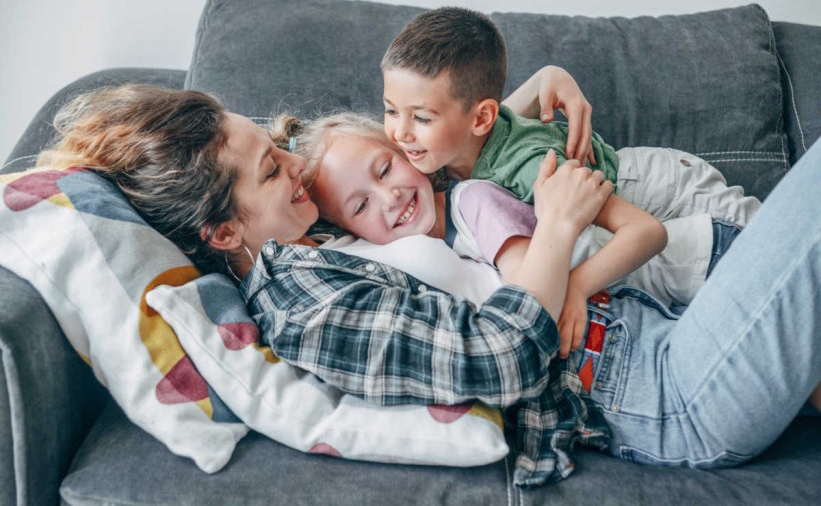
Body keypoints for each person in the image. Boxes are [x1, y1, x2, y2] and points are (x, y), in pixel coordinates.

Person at [38, 81, 821, 488]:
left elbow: (427, 168)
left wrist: (536, 80)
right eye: (272, 170)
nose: (292, 169)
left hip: (659, 326)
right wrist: (551, 226)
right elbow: (502, 357)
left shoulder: (319, 239)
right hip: (662, 389)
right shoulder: (304, 305)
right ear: (222, 233)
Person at [378, 7, 762, 353]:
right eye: (391, 111)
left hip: (670, 191)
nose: (400, 132)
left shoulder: (531, 169)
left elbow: (646, 232)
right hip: (640, 198)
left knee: (788, 277)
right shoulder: (455, 148)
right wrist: (548, 76)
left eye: (421, 118)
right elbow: (491, 117)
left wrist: (577, 286)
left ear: (481, 118)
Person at [296, 112, 739, 357]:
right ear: (350, 231)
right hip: (665, 290)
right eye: (360, 205)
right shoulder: (421, 245)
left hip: (693, 258)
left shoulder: (473, 204)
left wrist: (576, 289)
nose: (388, 196)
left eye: (386, 168)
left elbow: (529, 297)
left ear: (409, 154)